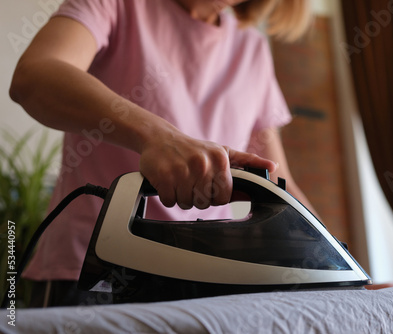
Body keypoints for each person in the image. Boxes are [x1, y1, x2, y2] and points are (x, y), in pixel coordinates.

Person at [10, 0, 314, 307]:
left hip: (211, 284)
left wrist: (337, 265)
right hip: (93, 273)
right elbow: (34, 76)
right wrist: (157, 137)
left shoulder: (252, 49)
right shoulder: (119, 5)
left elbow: (276, 178)